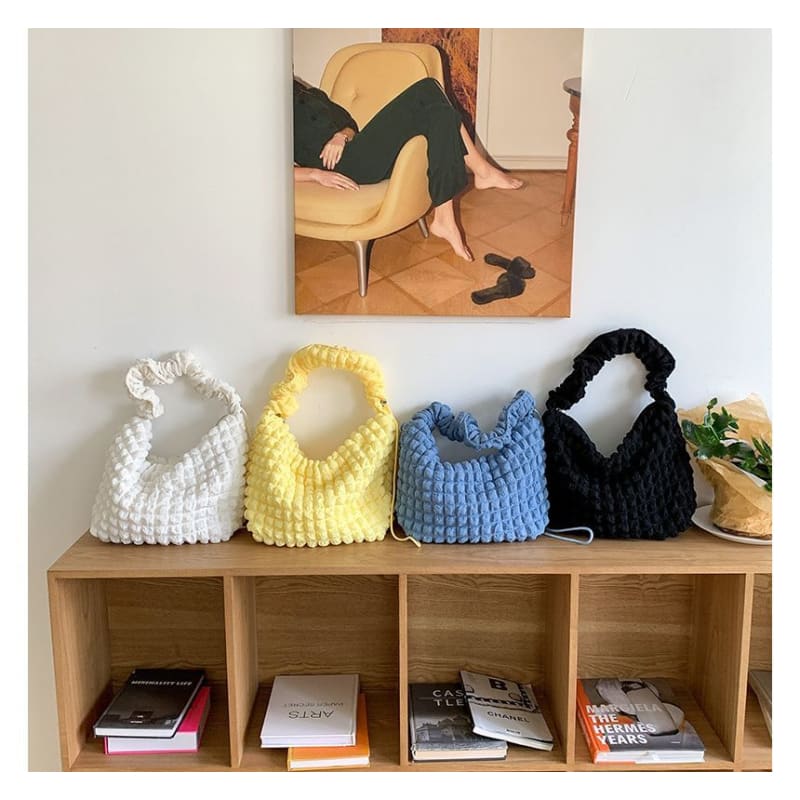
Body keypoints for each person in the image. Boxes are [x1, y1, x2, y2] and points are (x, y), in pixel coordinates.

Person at [293, 76, 523, 262]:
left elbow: (349, 125)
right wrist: (315, 174)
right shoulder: (274, 109)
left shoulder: (312, 94)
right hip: (343, 166)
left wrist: (340, 136)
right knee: (428, 87)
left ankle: (445, 215)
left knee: (442, 114)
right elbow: (271, 168)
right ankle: (481, 172)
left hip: (359, 152)